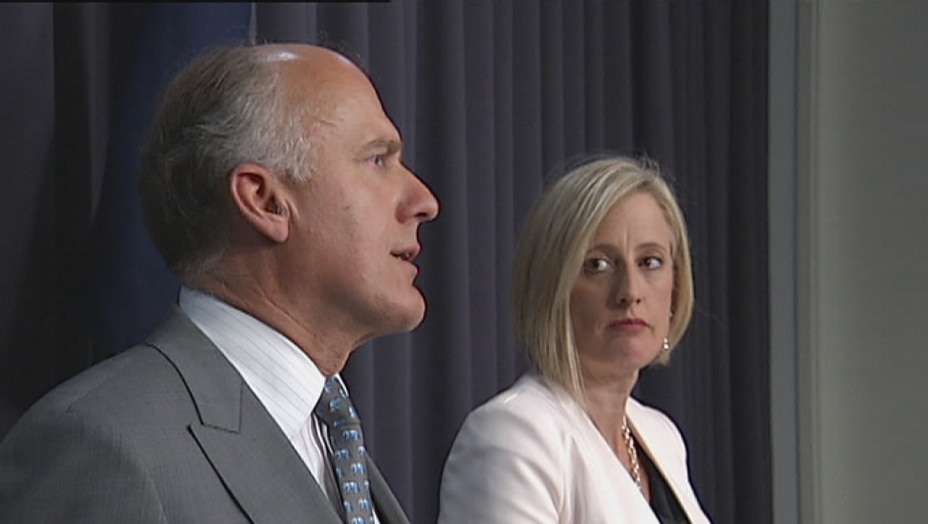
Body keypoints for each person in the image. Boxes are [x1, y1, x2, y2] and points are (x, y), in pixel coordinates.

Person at [0, 42, 438, 523]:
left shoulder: (331, 438)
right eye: (377, 160)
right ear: (265, 201)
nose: (424, 201)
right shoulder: (103, 448)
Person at [438, 156, 711, 523]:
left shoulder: (661, 436)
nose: (630, 292)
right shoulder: (512, 435)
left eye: (650, 262)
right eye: (598, 265)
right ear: (552, 287)